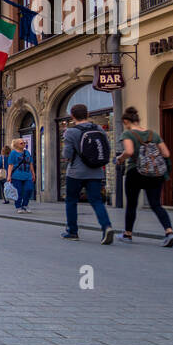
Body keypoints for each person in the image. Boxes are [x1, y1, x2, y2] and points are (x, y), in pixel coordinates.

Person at [117, 106, 173, 247]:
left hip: (135, 172)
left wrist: (120, 158)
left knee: (131, 204)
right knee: (156, 204)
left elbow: (130, 151)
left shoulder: (128, 134)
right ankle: (169, 232)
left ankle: (128, 234)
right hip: (155, 173)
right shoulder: (153, 134)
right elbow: (166, 154)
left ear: (126, 121)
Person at [61, 102, 114, 244]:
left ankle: (73, 232)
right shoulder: (98, 129)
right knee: (96, 200)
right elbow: (106, 148)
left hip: (75, 173)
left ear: (72, 116)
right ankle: (106, 226)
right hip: (96, 171)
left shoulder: (71, 132)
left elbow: (67, 154)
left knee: (71, 201)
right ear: (88, 114)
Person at [5, 139, 34, 213]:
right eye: (22, 143)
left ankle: (25, 205)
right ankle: (18, 206)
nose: (24, 144)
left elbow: (30, 163)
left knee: (29, 189)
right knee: (19, 192)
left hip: (28, 175)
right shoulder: (13, 153)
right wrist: (9, 176)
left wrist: (33, 173)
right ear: (16, 145)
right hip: (16, 176)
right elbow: (10, 165)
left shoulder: (27, 152)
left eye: (24, 143)